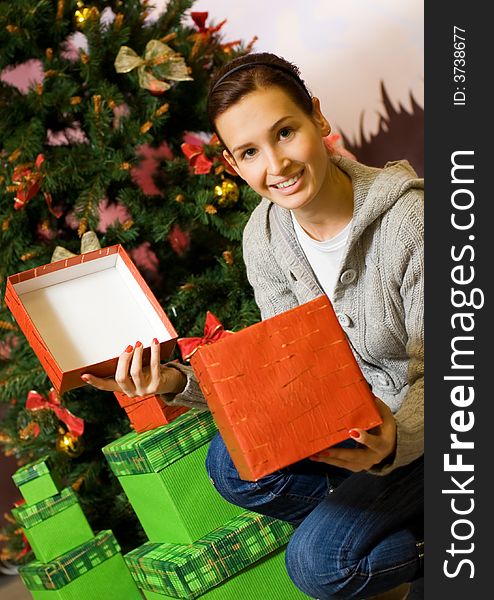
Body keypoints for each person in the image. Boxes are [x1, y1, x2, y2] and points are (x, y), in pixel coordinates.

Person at [82, 52, 424, 600]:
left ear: (318, 117)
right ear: (233, 163)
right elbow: (290, 370)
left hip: (431, 433)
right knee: (232, 463)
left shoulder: (413, 223)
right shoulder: (265, 235)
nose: (276, 165)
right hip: (354, 424)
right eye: (249, 152)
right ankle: (381, 523)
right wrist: (173, 382)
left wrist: (396, 439)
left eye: (285, 132)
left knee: (318, 566)